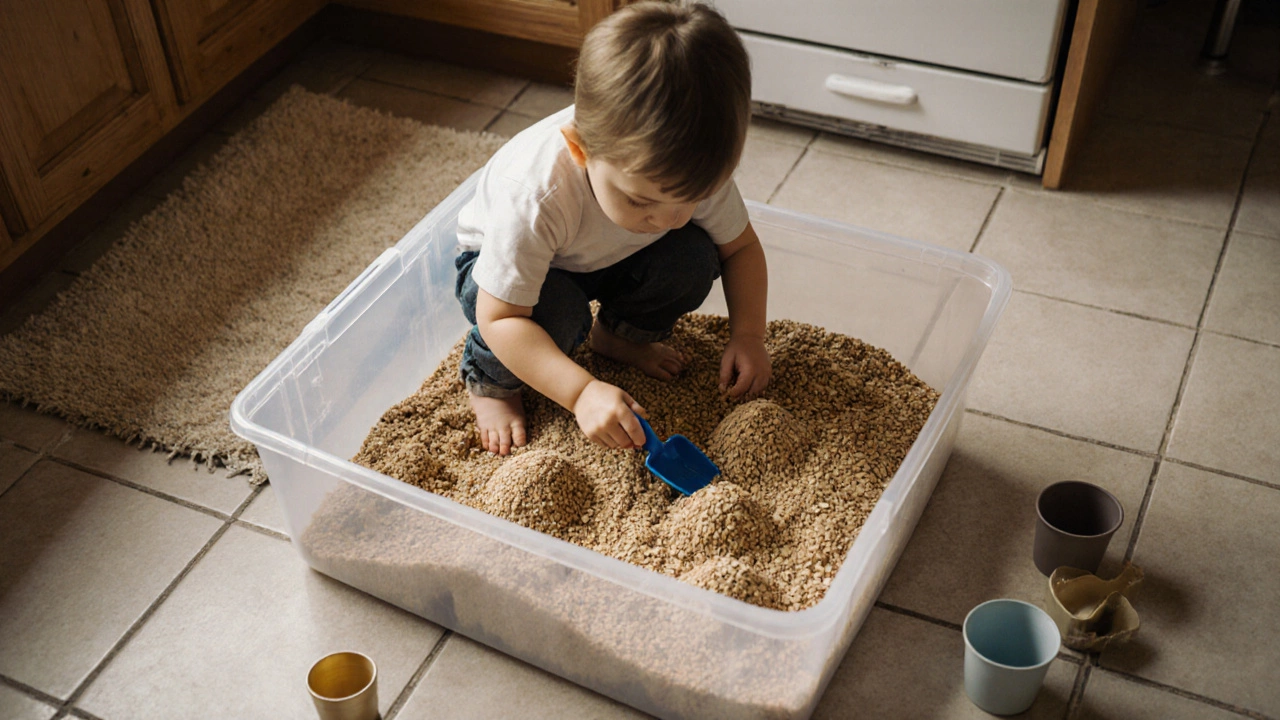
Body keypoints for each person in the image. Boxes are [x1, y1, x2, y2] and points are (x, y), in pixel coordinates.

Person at [454, 1, 770, 456]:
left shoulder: (689, 170)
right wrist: (581, 392)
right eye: (641, 200)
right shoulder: (537, 193)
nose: (667, 219)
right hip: (499, 276)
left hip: (604, 253)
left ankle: (618, 336)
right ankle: (489, 383)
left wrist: (748, 336)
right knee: (559, 315)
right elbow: (500, 317)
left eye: (690, 201)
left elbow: (740, 250)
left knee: (694, 257)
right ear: (580, 149)